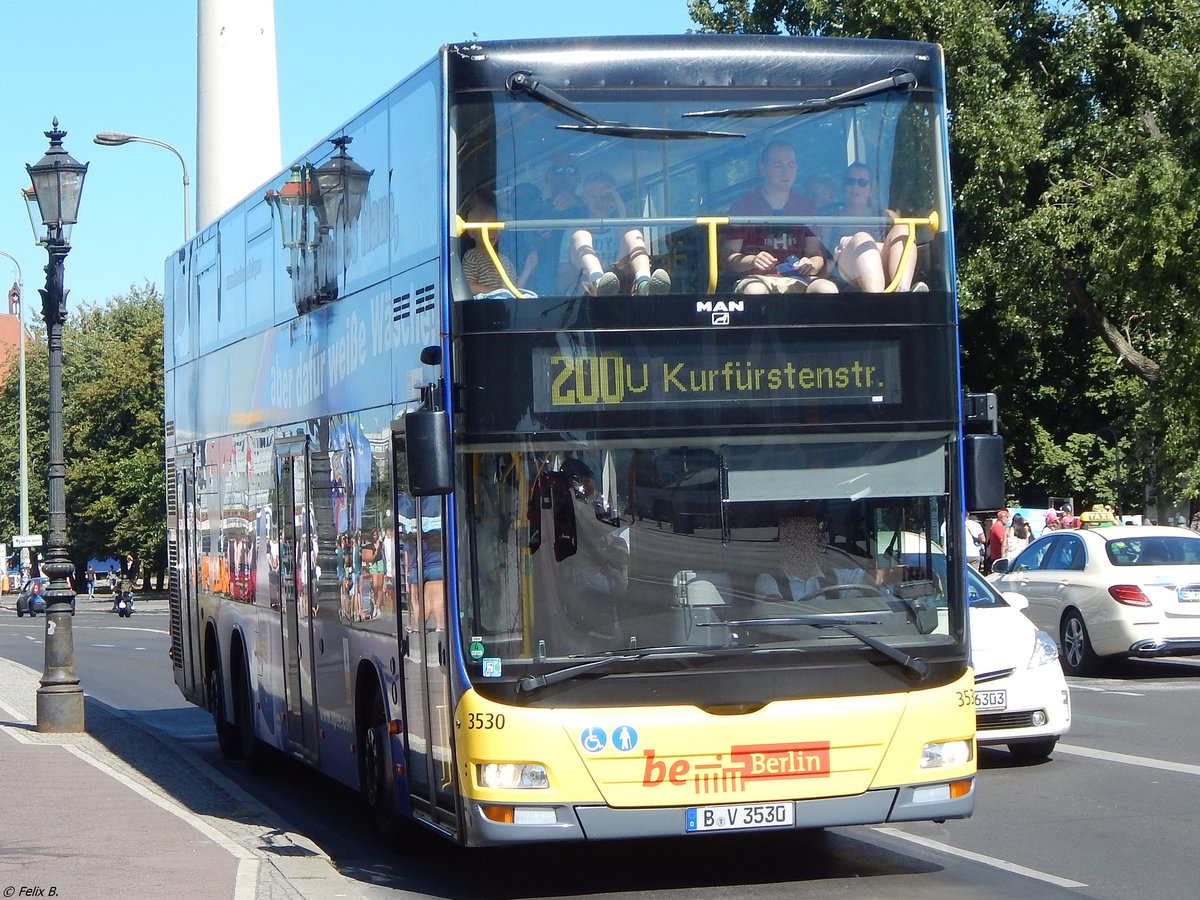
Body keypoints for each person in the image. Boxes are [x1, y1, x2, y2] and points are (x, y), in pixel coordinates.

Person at [722, 141, 838, 295]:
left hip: (799, 278)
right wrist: (752, 260)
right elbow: (728, 256)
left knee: (827, 289)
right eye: (778, 165)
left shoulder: (806, 206)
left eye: (790, 165)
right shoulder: (743, 206)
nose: (786, 172)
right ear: (763, 169)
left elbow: (815, 254)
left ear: (797, 169)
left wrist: (810, 264)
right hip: (757, 278)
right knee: (755, 291)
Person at [820, 162, 921, 293]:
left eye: (861, 182)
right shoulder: (831, 220)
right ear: (844, 187)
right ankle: (875, 301)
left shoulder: (886, 216)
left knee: (903, 229)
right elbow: (823, 264)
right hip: (845, 276)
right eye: (850, 181)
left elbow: (906, 246)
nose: (855, 187)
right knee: (862, 239)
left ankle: (902, 291)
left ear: (870, 189)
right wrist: (842, 251)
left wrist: (872, 247)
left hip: (883, 270)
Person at [568, 171, 671, 296]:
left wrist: (620, 206)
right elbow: (564, 276)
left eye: (605, 196)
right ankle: (599, 281)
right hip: (587, 291)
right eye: (593, 196)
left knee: (632, 233)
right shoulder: (573, 230)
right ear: (585, 199)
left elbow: (625, 234)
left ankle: (644, 285)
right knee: (580, 234)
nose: (599, 201)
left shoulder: (620, 229)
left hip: (620, 286)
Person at [459, 190, 537, 298]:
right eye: (488, 228)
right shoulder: (472, 256)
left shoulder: (504, 260)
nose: (493, 232)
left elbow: (514, 290)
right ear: (472, 233)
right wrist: (496, 292)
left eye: (496, 228)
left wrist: (527, 268)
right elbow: (469, 286)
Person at [984, 509, 1010, 575]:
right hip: (998, 557)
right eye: (1007, 517)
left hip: (997, 556)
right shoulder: (997, 527)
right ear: (1001, 517)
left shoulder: (996, 526)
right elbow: (1002, 541)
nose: (1008, 519)